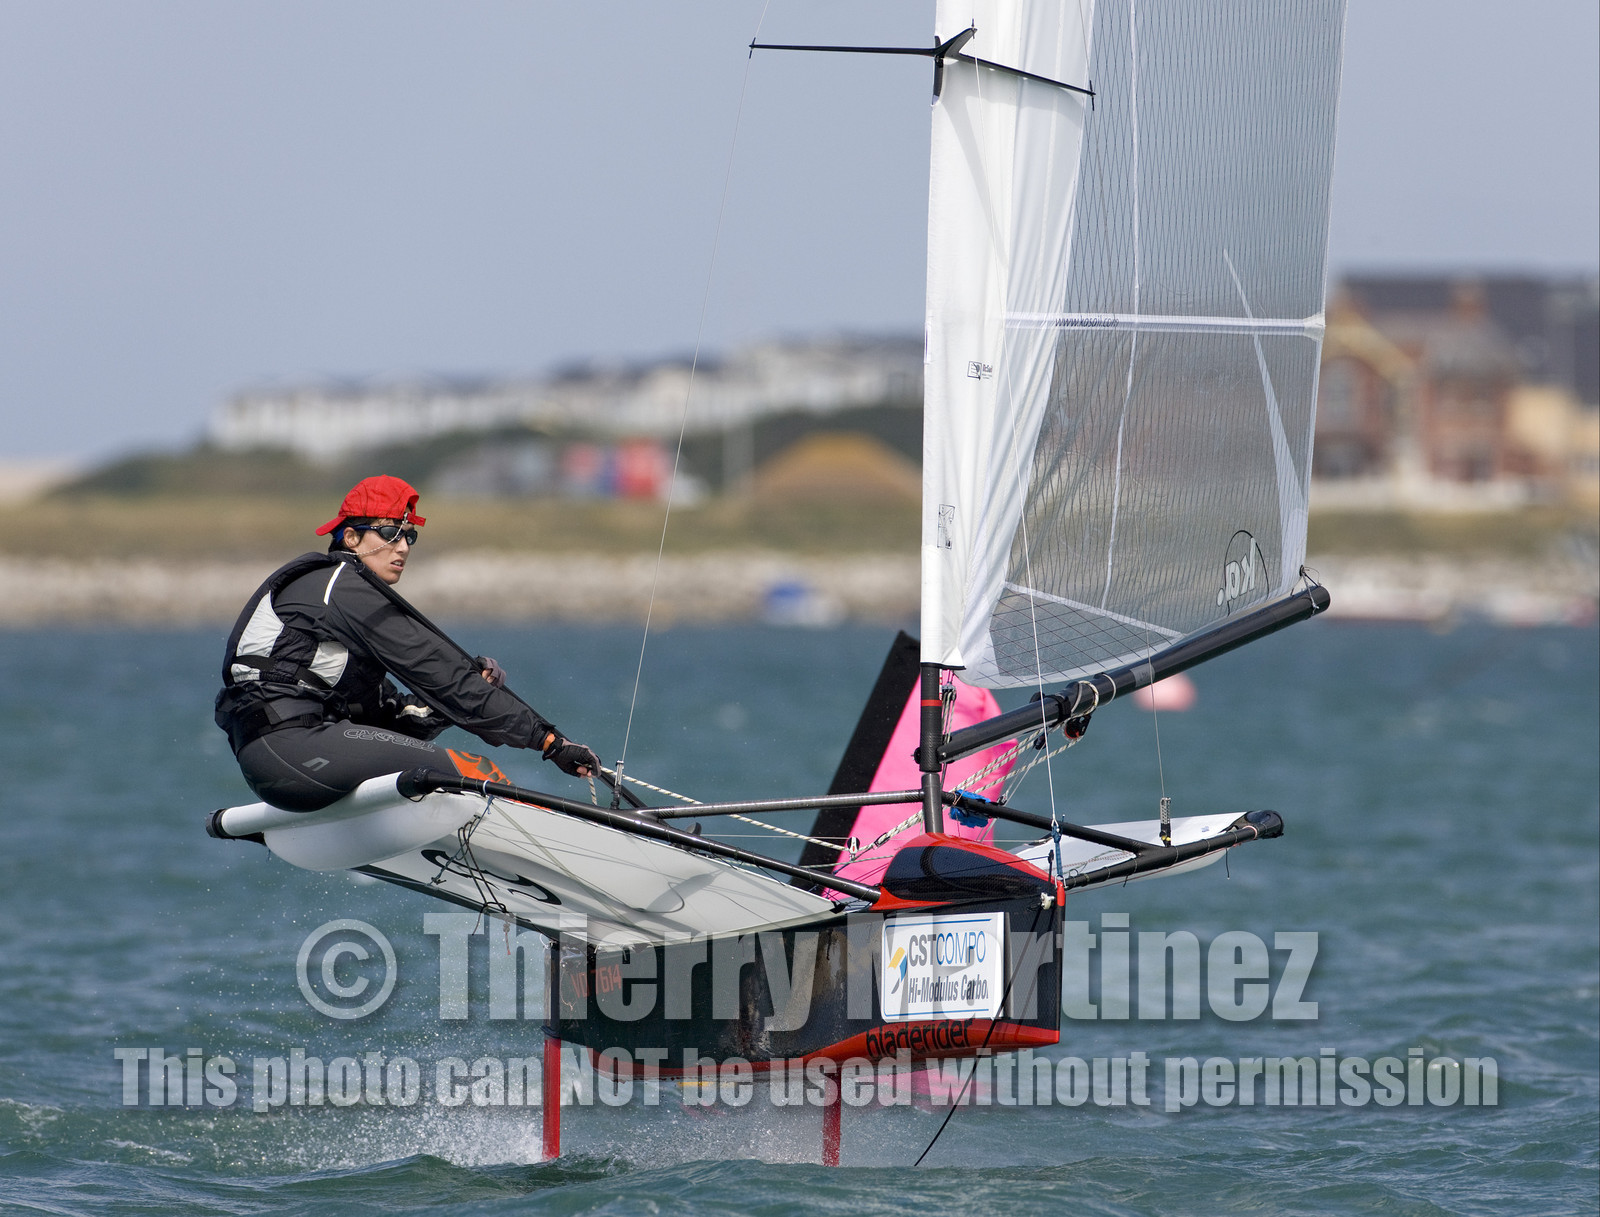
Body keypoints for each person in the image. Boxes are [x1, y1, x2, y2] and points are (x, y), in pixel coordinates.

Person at [215, 474, 598, 811]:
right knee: (478, 773)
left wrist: (458, 698)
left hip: (270, 763)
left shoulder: (338, 613)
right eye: (388, 533)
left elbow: (391, 718)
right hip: (294, 751)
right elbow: (438, 672)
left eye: (408, 536)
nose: (402, 548)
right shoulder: (340, 586)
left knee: (435, 768)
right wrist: (550, 742)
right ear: (350, 537)